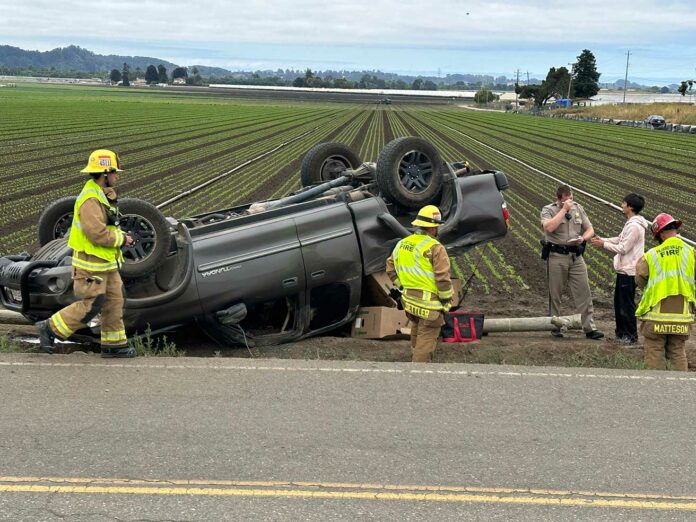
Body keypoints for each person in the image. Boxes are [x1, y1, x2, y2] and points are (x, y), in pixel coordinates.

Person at [37, 149, 136, 358]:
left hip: (106, 262)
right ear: (105, 173)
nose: (117, 176)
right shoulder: (90, 199)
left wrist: (120, 235)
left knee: (114, 302)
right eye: (115, 172)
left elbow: (108, 226)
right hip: (91, 264)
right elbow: (96, 234)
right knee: (92, 304)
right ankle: (49, 328)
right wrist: (122, 239)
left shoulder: (103, 195)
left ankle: (114, 345)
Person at [386, 205, 453, 362]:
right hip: (429, 306)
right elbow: (442, 278)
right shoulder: (436, 248)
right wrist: (445, 301)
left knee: (417, 329)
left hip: (410, 302)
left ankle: (414, 360)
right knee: (426, 340)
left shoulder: (402, 244)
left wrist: (402, 286)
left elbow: (390, 267)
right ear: (433, 228)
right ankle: (418, 372)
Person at [541, 184, 603, 339]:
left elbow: (590, 229)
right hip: (557, 256)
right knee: (555, 293)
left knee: (584, 292)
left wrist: (583, 238)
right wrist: (563, 210)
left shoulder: (578, 208)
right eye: (567, 198)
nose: (570, 201)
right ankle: (555, 327)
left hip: (575, 256)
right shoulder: (548, 210)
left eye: (571, 198)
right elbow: (549, 228)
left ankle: (589, 327)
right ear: (559, 198)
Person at [635, 213, 695, 371]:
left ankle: (657, 390)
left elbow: (640, 279)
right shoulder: (691, 253)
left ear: (660, 234)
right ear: (675, 229)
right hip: (682, 316)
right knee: (677, 351)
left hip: (657, 316)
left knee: (654, 349)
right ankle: (679, 389)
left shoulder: (651, 255)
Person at [590, 194, 649, 344]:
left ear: (630, 207)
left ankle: (630, 336)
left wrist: (602, 245)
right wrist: (602, 239)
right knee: (619, 303)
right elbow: (619, 238)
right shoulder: (631, 223)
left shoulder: (635, 226)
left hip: (629, 271)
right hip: (624, 270)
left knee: (626, 304)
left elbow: (623, 247)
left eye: (624, 203)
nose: (622, 205)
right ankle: (621, 334)